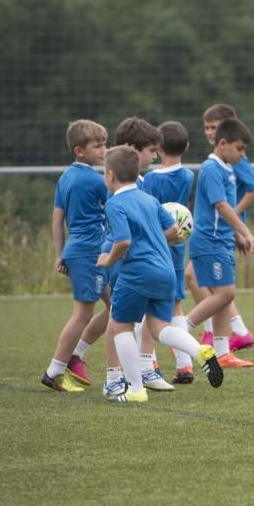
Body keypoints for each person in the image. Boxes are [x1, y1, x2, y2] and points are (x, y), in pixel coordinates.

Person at [96, 145, 222, 403]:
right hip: (165, 269)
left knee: (121, 326)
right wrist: (150, 239)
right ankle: (199, 350)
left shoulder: (114, 203)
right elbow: (174, 229)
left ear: (110, 175)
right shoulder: (149, 199)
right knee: (158, 326)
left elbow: (122, 242)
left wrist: (107, 259)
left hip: (137, 273)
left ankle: (135, 390)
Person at [183, 117, 254, 369]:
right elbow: (222, 206)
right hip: (210, 242)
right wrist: (245, 231)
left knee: (223, 296)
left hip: (222, 241)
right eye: (239, 148)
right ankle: (180, 332)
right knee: (226, 294)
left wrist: (236, 236)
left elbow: (223, 210)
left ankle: (222, 352)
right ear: (223, 143)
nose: (242, 154)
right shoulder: (211, 168)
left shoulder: (226, 167)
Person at [40, 120, 109, 393]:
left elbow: (57, 220)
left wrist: (60, 254)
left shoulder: (66, 177)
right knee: (83, 313)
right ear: (79, 150)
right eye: (98, 145)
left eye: (105, 144)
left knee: (118, 306)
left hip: (79, 250)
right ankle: (55, 370)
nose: (104, 150)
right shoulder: (94, 180)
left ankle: (76, 356)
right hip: (90, 252)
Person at [142, 121, 197, 384]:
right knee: (176, 306)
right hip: (178, 246)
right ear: (186, 146)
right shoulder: (188, 176)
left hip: (157, 246)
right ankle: (185, 365)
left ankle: (149, 361)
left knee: (148, 306)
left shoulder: (150, 179)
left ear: (158, 147)